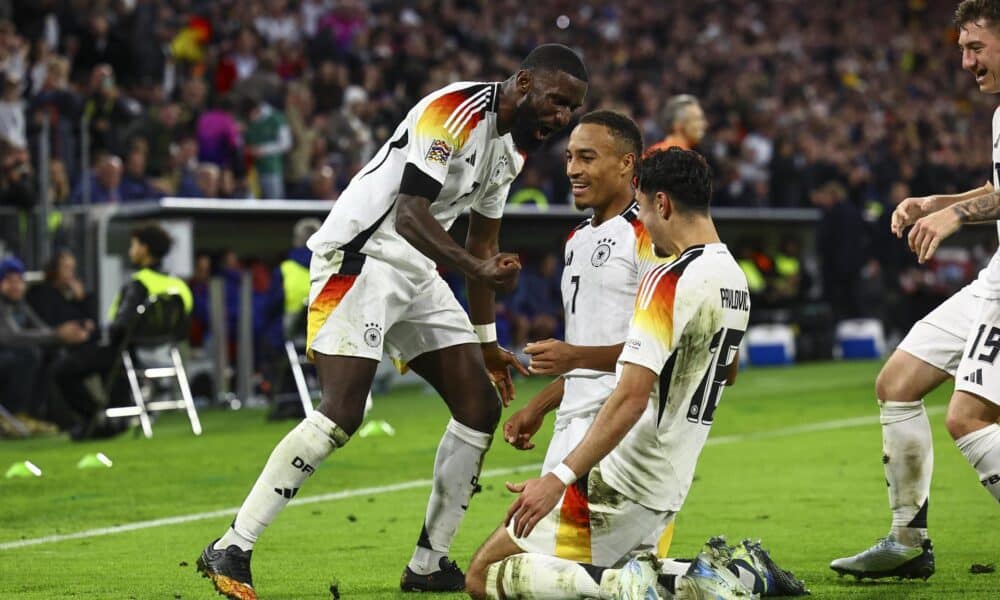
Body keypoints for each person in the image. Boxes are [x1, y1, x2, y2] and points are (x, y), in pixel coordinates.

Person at [196, 43, 589, 600]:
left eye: (571, 109)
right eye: (557, 101)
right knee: (342, 411)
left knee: (479, 406)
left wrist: (487, 344)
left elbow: (484, 246)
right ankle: (232, 545)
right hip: (360, 256)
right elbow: (410, 214)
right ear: (524, 82)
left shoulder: (509, 153)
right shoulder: (452, 110)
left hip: (415, 270)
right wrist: (477, 265)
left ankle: (429, 564)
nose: (562, 117)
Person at [465, 148, 753, 600]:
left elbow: (631, 396)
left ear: (663, 204)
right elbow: (726, 371)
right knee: (623, 565)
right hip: (670, 480)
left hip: (624, 477)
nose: (644, 225)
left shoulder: (669, 279)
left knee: (483, 575)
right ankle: (739, 573)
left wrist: (556, 479)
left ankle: (622, 588)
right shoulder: (734, 279)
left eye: (643, 209)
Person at [831, 0, 1000, 580]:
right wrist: (939, 204)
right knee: (897, 383)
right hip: (994, 280)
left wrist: (955, 221)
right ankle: (907, 543)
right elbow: (997, 187)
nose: (965, 61)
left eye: (975, 47)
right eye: (961, 49)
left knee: (969, 418)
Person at [50, 222, 192, 439]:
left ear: (144, 249)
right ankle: (114, 421)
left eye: (133, 245)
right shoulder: (179, 286)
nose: (130, 251)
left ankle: (94, 419)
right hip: (166, 353)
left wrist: (98, 335)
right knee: (112, 366)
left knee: (63, 369)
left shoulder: (139, 283)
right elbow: (184, 327)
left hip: (128, 353)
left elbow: (121, 326)